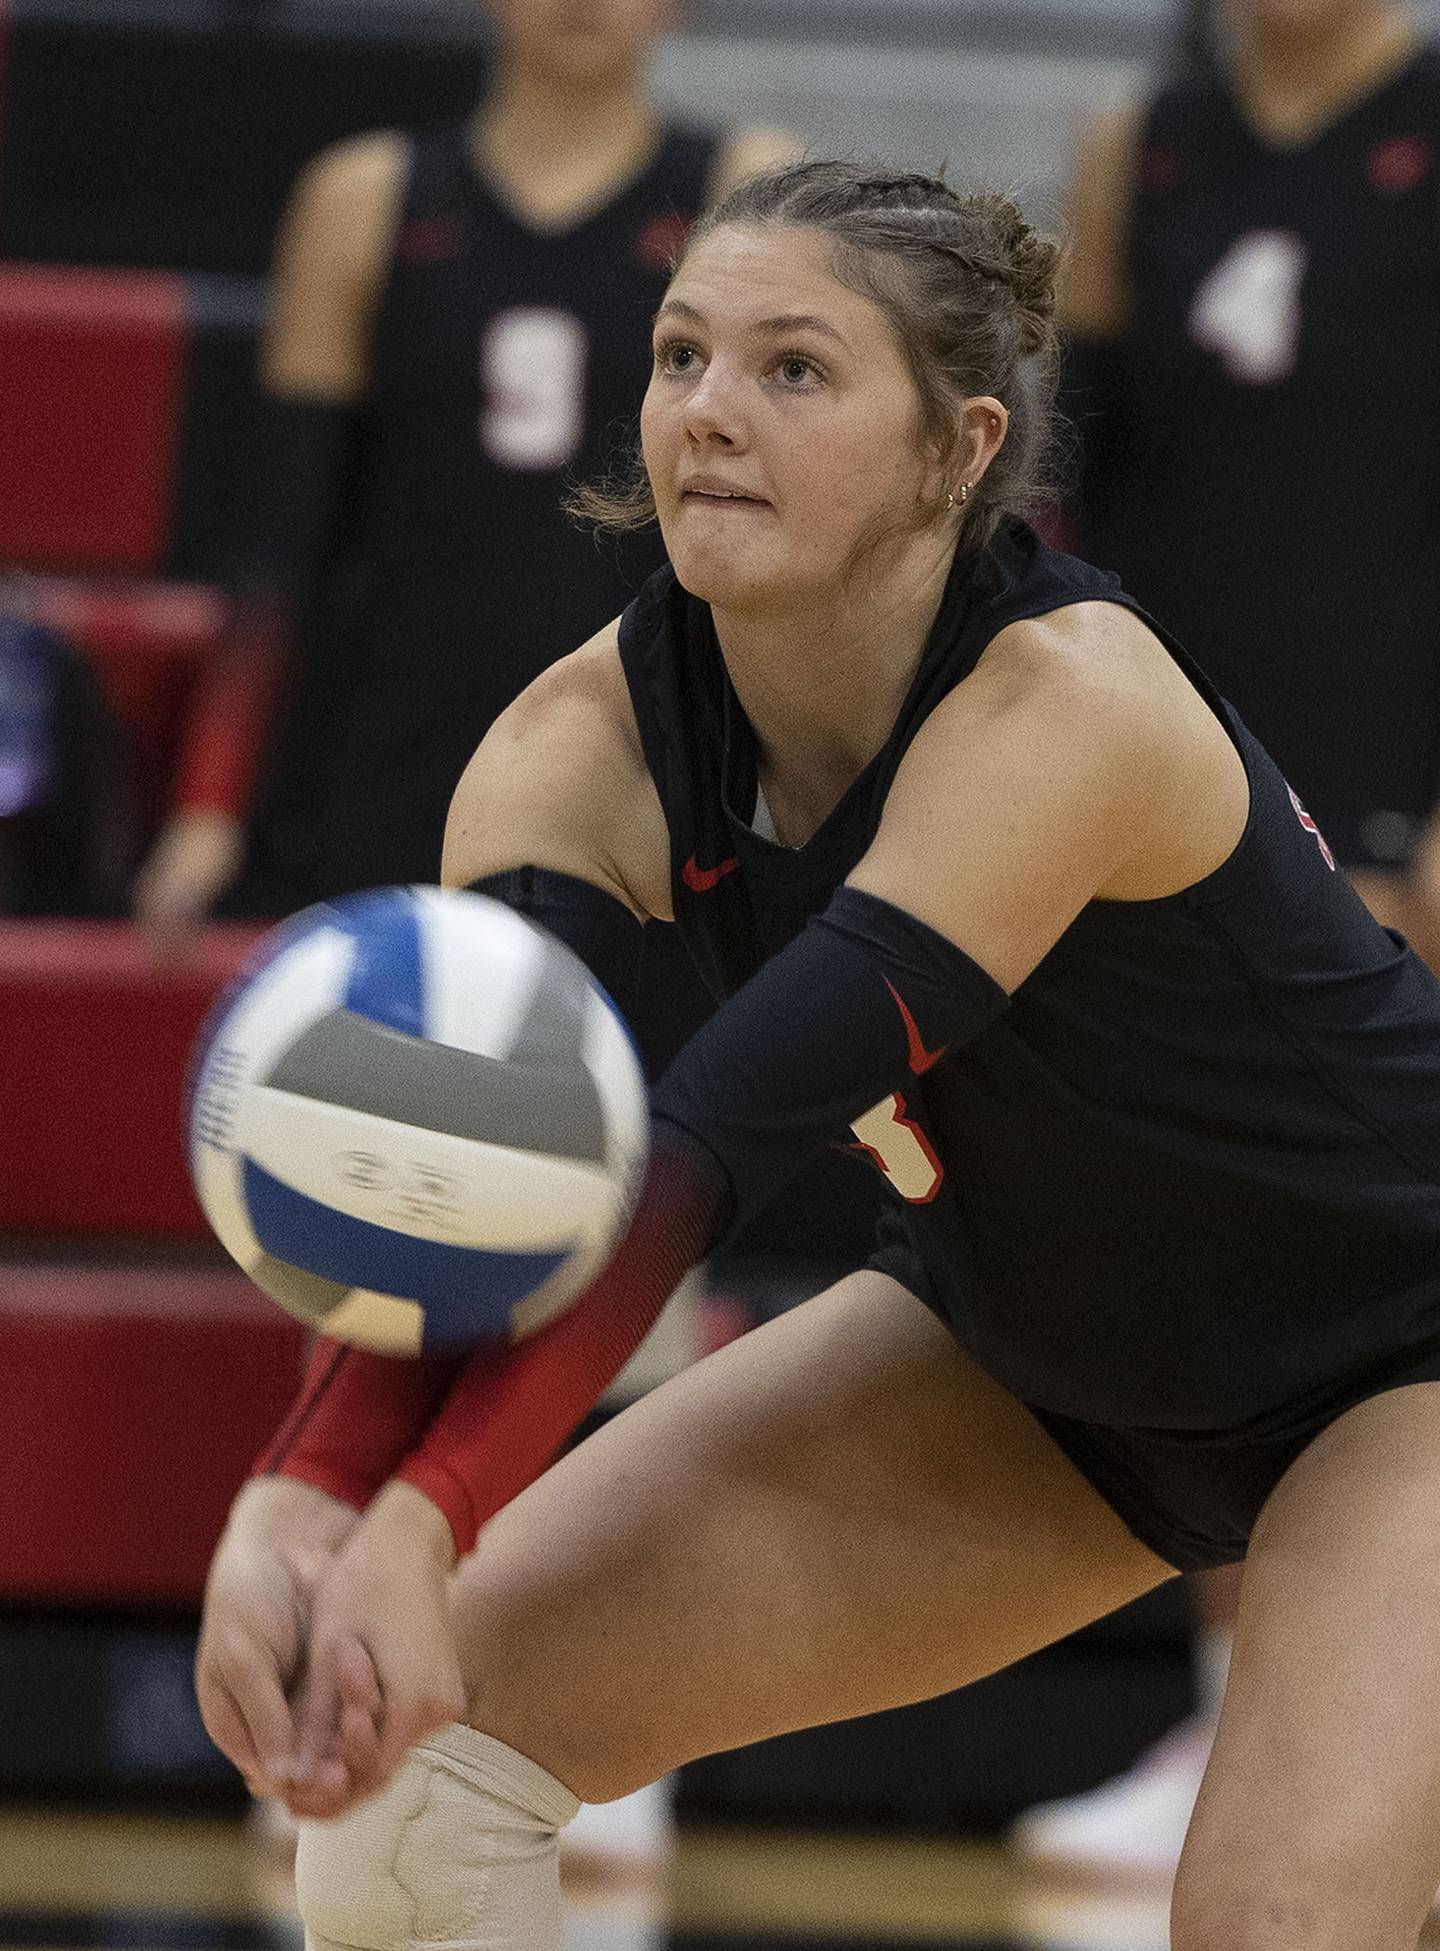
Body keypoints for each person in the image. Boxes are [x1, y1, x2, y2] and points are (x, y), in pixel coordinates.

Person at [197, 160, 1440, 1951]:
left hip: (1395, 1352)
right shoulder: (574, 746)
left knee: (1269, 1920)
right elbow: (479, 1174)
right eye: (682, 354)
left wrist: (426, 1509)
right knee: (420, 1740)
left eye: (794, 370)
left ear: (959, 449)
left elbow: (704, 1140)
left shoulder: (1069, 702)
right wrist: (307, 1493)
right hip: (1035, 1358)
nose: (709, 411)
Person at [1014, 0, 1440, 1874]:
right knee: (1218, 1249)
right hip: (1174, 771)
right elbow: (1069, 482)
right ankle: (1233, 1724)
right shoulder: (1145, 142)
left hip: (1390, 764)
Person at [132, 0, 796, 944]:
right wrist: (209, 808)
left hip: (660, 755)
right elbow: (283, 534)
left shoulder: (747, 189)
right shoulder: (364, 197)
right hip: (399, 750)